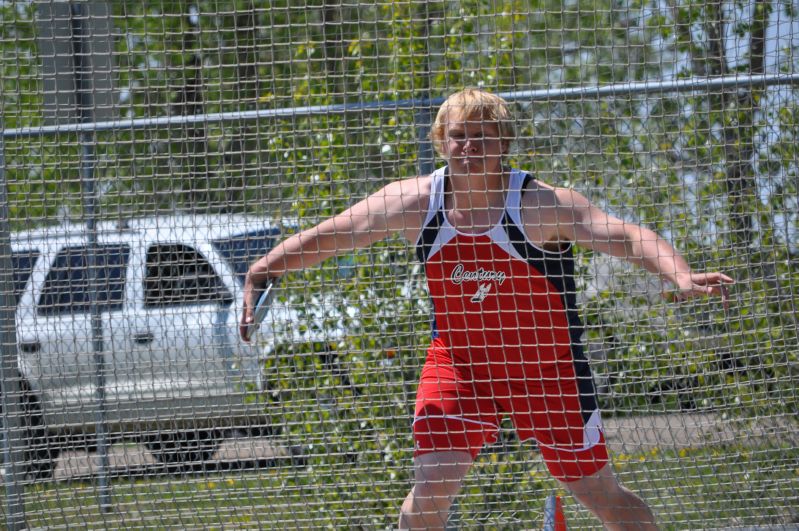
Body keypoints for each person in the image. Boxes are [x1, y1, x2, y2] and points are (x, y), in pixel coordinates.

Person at [240, 88, 733, 530]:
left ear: (504, 144)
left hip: (548, 371)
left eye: (482, 135)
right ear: (439, 141)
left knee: (602, 497)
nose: (469, 146)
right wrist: (263, 269)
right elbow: (333, 234)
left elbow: (623, 235)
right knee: (430, 492)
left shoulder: (540, 205)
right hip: (461, 367)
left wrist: (680, 274)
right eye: (458, 135)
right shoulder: (414, 203)